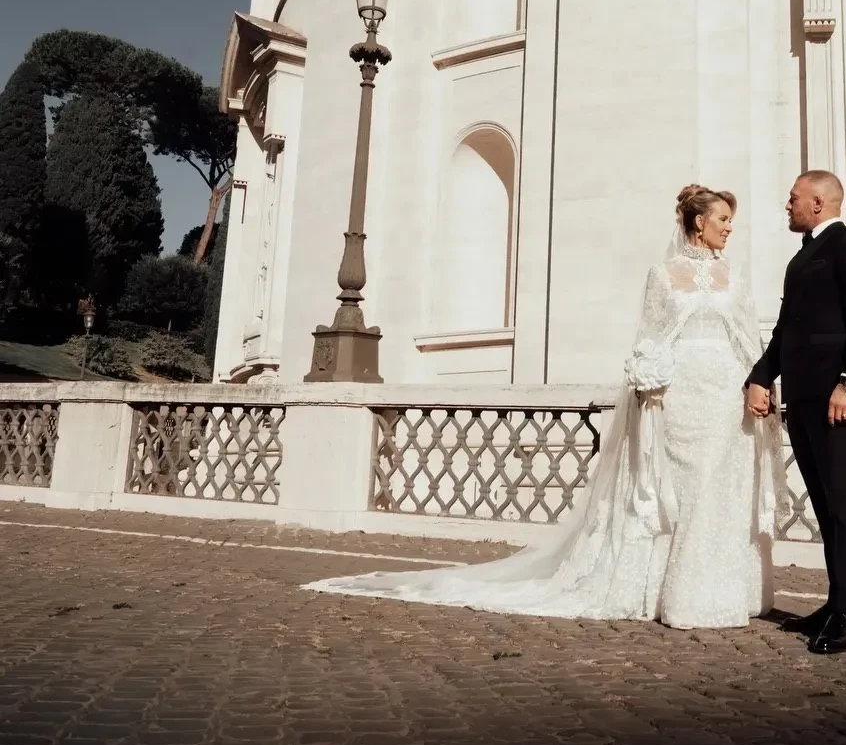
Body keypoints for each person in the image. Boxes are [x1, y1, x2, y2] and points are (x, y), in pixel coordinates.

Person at [305, 186, 788, 631]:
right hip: (680, 397)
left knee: (720, 489)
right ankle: (681, 595)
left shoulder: (734, 276)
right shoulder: (662, 275)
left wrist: (761, 386)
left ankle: (727, 591)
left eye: (731, 221)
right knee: (682, 491)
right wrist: (650, 381)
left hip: (725, 396)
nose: (730, 228)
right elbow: (651, 337)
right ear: (698, 222)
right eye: (723, 219)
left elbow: (748, 337)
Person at [745, 170, 846, 655]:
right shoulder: (800, 258)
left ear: (819, 202)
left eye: (794, 199)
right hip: (801, 397)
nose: (788, 206)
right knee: (824, 501)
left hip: (836, 397)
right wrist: (761, 376)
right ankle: (834, 602)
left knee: (841, 499)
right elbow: (786, 329)